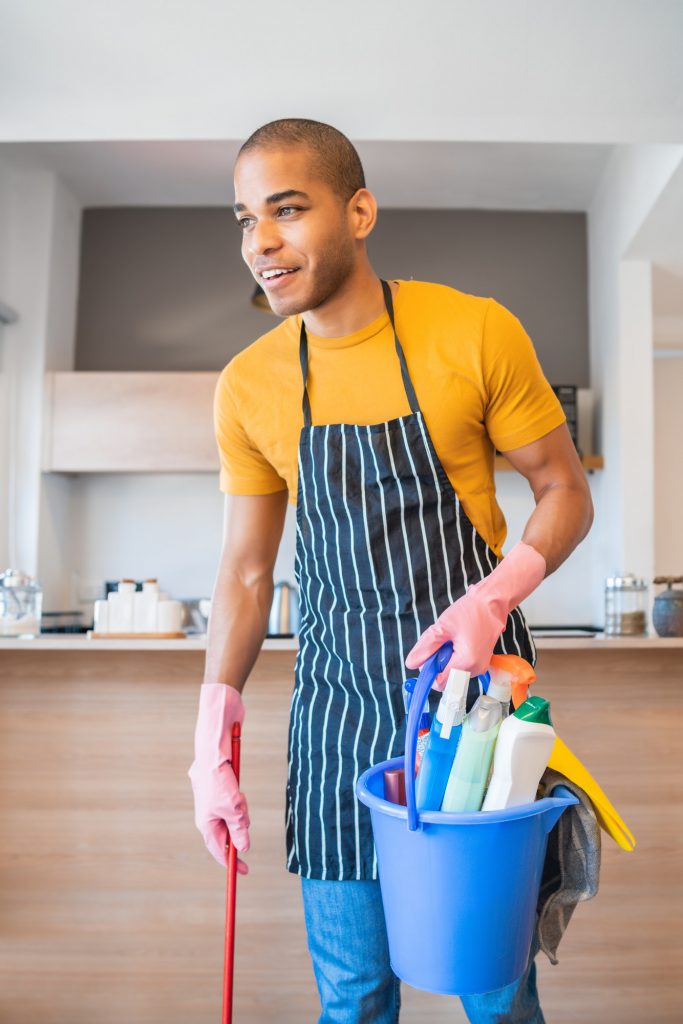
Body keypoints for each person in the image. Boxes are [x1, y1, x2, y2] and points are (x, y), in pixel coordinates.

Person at [188, 118, 594, 1024]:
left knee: (493, 993)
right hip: (333, 716)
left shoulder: (474, 331)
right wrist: (212, 729)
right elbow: (248, 573)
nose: (260, 240)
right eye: (245, 217)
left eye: (286, 210)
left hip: (471, 710)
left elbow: (563, 488)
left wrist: (495, 595)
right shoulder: (248, 385)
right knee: (354, 998)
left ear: (359, 210)